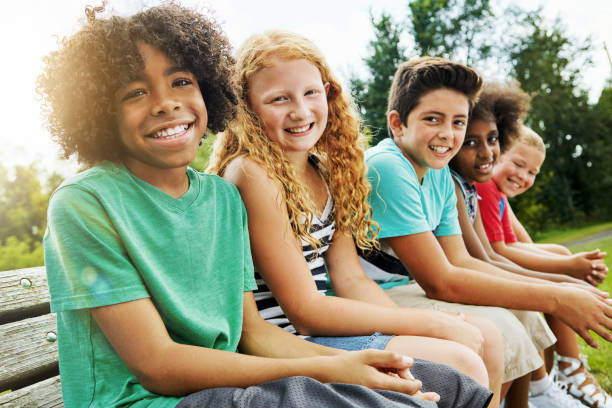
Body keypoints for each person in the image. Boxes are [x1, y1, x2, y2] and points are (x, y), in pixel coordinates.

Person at [38, 5, 457, 408]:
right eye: (135, 91)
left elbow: (253, 334)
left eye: (181, 81)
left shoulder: (220, 199)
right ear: (100, 113)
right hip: (149, 400)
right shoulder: (84, 204)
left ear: (209, 90)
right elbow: (157, 366)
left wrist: (347, 367)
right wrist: (334, 370)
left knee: (450, 384)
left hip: (229, 383)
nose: (165, 102)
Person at [208, 30, 497, 408]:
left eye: (311, 93)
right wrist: (430, 324)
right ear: (247, 108)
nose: (300, 110)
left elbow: (350, 279)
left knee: (483, 336)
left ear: (328, 93)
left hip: (320, 330)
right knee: (460, 358)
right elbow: (306, 311)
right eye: (279, 99)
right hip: (288, 342)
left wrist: (404, 324)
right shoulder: (252, 173)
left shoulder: (328, 171)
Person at [358, 56, 612, 407]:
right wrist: (558, 297)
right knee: (498, 327)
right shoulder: (388, 167)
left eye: (457, 122)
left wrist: (559, 288)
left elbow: (463, 260)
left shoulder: (439, 174)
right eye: (433, 119)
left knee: (519, 312)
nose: (448, 134)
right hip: (374, 296)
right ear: (397, 124)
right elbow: (441, 281)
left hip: (409, 287)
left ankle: (535, 397)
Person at [449, 81, 602, 408]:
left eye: (491, 140)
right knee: (521, 312)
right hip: (445, 280)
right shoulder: (479, 188)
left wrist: (565, 278)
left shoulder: (478, 189)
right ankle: (558, 378)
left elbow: (507, 246)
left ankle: (547, 386)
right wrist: (565, 276)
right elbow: (496, 252)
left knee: (533, 305)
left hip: (474, 268)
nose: (486, 151)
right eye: (517, 163)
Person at [475, 125, 611, 408]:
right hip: (483, 268)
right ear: (497, 155)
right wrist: (567, 266)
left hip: (493, 260)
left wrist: (567, 263)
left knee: (560, 261)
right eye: (518, 164)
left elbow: (516, 243)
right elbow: (501, 251)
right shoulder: (486, 189)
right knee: (556, 278)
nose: (523, 176)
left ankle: (559, 372)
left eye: (532, 172)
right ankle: (564, 372)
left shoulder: (497, 195)